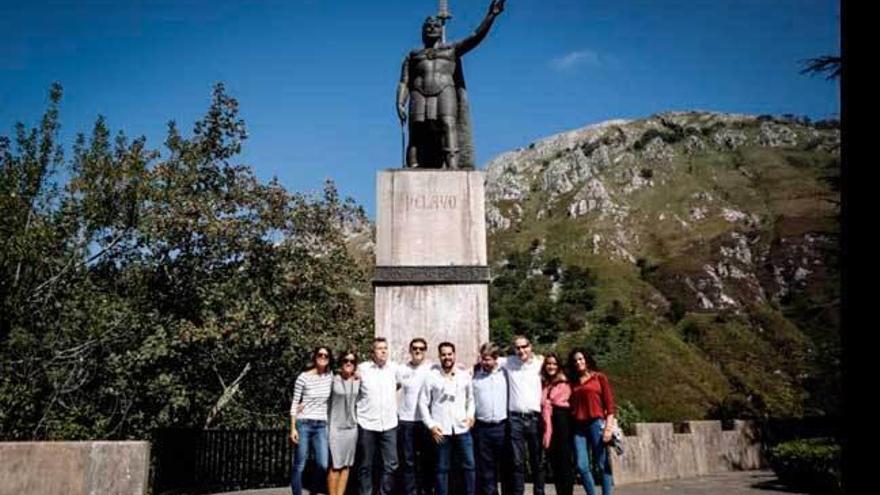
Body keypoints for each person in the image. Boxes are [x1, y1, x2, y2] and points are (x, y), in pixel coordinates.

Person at [396, 0, 506, 169]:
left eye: (436, 26)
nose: (432, 27)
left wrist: (491, 15)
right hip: (418, 92)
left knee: (448, 125)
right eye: (428, 25)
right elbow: (404, 81)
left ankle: (452, 165)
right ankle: (413, 165)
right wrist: (400, 102)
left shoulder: (451, 49)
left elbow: (476, 36)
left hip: (444, 90)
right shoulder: (413, 55)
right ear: (422, 31)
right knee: (416, 130)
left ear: (441, 31)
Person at [418, 342, 476, 495]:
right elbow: (423, 403)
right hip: (441, 430)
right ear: (439, 356)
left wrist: (470, 416)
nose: (447, 357)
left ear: (454, 355)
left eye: (450, 354)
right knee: (442, 468)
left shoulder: (464, 376)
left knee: (469, 465)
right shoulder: (431, 377)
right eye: (444, 354)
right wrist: (430, 425)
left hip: (462, 428)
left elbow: (471, 399)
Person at [355, 337, 401, 495]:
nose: (383, 351)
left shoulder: (394, 369)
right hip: (367, 423)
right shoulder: (362, 369)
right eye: (379, 348)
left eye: (385, 348)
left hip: (389, 424)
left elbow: (413, 374)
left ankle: (384, 493)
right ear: (372, 352)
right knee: (365, 465)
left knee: (392, 464)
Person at [568, 348, 617, 495]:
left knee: (602, 464)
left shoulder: (599, 378)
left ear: (587, 360)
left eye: (581, 359)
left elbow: (610, 406)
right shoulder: (573, 382)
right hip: (578, 426)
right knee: (581, 466)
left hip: (596, 423)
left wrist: (608, 428)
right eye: (575, 360)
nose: (578, 362)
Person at [502, 335, 545, 495]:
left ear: (531, 346)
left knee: (537, 462)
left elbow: (557, 368)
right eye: (517, 348)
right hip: (515, 419)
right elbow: (487, 359)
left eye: (524, 346)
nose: (521, 350)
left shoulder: (539, 363)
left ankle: (539, 492)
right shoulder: (508, 362)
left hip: (534, 418)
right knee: (517, 462)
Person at [290, 346, 333, 495]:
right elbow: (295, 403)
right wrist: (293, 428)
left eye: (326, 355)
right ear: (315, 357)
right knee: (300, 464)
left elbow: (345, 376)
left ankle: (313, 492)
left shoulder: (330, 376)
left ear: (329, 359)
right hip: (304, 424)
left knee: (323, 464)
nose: (323, 357)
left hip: (321, 425)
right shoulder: (303, 377)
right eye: (320, 354)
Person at [397, 337, 435, 495]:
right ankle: (410, 492)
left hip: (425, 421)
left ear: (425, 351)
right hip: (406, 421)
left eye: (421, 348)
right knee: (408, 461)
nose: (417, 351)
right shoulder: (401, 369)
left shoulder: (432, 368)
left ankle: (426, 490)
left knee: (427, 460)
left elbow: (454, 368)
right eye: (415, 348)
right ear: (410, 350)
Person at [471, 342, 508, 495]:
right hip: (482, 427)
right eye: (483, 359)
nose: (485, 362)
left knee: (505, 466)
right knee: (486, 467)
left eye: (488, 359)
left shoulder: (505, 373)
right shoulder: (475, 375)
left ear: (496, 359)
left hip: (501, 427)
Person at [327, 349, 360, 495]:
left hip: (351, 428)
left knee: (346, 466)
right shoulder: (333, 380)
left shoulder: (359, 381)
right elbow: (321, 399)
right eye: (346, 360)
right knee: (335, 465)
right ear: (341, 363)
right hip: (335, 427)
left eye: (352, 361)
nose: (348, 363)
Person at [540, 353, 574, 495]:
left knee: (564, 462)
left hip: (563, 421)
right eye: (548, 363)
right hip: (550, 424)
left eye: (554, 364)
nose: (551, 366)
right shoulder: (546, 383)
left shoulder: (565, 381)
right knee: (555, 464)